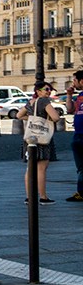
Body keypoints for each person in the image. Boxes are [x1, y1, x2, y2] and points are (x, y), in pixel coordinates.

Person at [21, 80, 62, 203]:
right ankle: (43, 197)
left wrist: (32, 118)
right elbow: (56, 117)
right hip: (42, 138)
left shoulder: (30, 102)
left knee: (30, 168)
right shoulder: (44, 101)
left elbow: (18, 115)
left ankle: (29, 197)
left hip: (30, 138)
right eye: (46, 89)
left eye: (50, 90)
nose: (49, 92)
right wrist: (46, 118)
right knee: (41, 168)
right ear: (38, 91)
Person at [68, 70, 83, 202]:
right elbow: (69, 109)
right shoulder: (79, 97)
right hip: (78, 135)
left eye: (75, 80)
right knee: (80, 167)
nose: (73, 83)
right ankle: (81, 192)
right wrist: (69, 95)